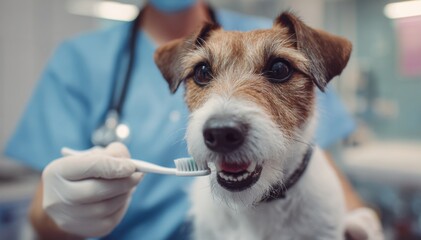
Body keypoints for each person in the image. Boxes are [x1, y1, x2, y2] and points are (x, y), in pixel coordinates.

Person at [4, 0, 383, 239]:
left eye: (279, 69)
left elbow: (312, 153)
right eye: (202, 74)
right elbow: (43, 205)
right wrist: (64, 211)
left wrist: (358, 215)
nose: (226, 115)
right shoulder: (81, 59)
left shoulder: (271, 28)